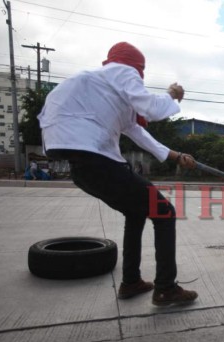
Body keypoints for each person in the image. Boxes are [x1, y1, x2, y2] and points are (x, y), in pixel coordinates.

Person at [38, 42, 198, 306]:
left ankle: (131, 282)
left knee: (136, 212)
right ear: (136, 67)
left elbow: (137, 131)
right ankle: (166, 289)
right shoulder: (121, 72)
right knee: (164, 212)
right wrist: (171, 93)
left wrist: (176, 156)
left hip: (81, 167)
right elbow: (152, 108)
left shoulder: (100, 88)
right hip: (97, 160)